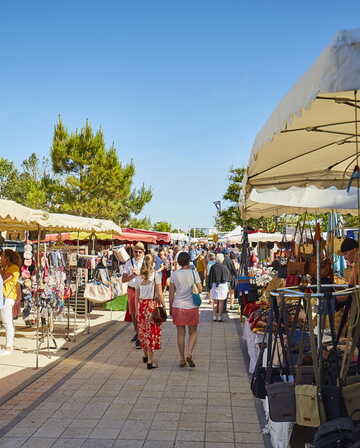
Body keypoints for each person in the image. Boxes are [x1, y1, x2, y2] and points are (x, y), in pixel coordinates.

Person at [169, 252, 202, 367]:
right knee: (193, 331)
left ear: (178, 261)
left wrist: (170, 307)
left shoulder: (174, 275)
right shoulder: (194, 273)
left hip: (178, 305)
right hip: (192, 306)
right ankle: (189, 353)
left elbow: (171, 293)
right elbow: (200, 289)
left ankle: (182, 358)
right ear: (189, 261)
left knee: (180, 333)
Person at [135, 254, 164, 369]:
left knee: (143, 331)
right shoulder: (155, 275)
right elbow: (160, 293)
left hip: (141, 306)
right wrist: (164, 305)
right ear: (153, 263)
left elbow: (137, 296)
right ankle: (151, 361)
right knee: (151, 332)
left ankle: (145, 355)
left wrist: (137, 309)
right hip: (151, 306)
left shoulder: (138, 277)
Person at [122, 242, 145, 349]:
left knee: (141, 313)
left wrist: (140, 273)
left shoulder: (146, 262)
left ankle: (141, 336)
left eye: (140, 252)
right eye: (136, 251)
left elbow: (151, 276)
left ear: (143, 252)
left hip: (143, 290)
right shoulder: (128, 263)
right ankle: (138, 333)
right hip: (132, 290)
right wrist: (133, 275)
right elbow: (123, 279)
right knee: (134, 314)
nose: (138, 253)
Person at [0, 249, 21, 355]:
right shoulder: (7, 268)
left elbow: (3, 279)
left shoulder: (14, 268)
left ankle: (8, 346)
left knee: (7, 323)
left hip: (7, 299)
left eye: (2, 256)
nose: (1, 258)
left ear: (7, 258)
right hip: (3, 298)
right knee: (7, 322)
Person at [208, 253, 230, 322]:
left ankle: (214, 316)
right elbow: (227, 278)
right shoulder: (225, 267)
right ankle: (219, 316)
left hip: (214, 285)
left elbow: (210, 277)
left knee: (215, 301)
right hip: (222, 285)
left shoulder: (213, 267)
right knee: (221, 302)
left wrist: (209, 287)